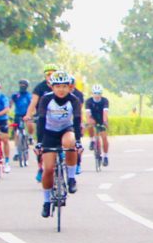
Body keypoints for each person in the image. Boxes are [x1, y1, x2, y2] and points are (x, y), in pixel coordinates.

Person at [32, 71, 83, 217]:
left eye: (64, 86)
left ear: (70, 87)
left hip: (66, 129)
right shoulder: (46, 99)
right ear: (52, 87)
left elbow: (77, 121)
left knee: (70, 143)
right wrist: (39, 143)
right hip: (49, 133)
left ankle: (71, 178)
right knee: (48, 169)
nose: (61, 90)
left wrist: (78, 141)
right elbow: (41, 121)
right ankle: (47, 201)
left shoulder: (74, 100)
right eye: (58, 86)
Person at [85, 86, 111, 166]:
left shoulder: (104, 101)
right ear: (92, 93)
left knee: (104, 137)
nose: (97, 95)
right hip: (93, 117)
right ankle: (92, 140)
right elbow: (88, 113)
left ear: (101, 94)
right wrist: (89, 120)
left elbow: (105, 112)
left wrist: (105, 121)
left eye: (99, 93)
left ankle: (105, 156)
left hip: (101, 118)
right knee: (89, 125)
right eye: (95, 93)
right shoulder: (88, 101)